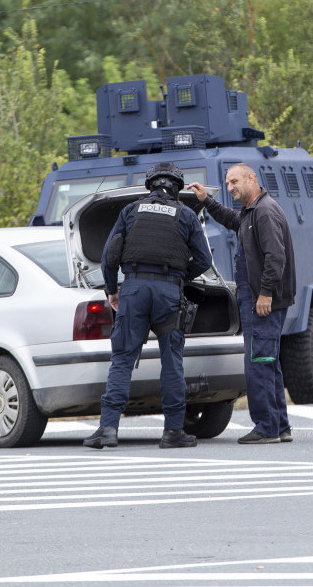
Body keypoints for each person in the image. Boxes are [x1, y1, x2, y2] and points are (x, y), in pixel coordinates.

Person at [83, 162, 212, 450]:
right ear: (177, 188)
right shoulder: (187, 215)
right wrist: (179, 276)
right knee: (171, 362)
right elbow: (204, 260)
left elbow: (109, 256)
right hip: (168, 292)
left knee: (123, 360)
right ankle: (173, 432)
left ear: (150, 185)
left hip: (134, 290)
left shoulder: (131, 211)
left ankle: (107, 429)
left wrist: (112, 290)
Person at [187, 164, 296, 444]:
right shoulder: (251, 212)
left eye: (235, 181)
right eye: (227, 182)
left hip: (263, 300)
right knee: (268, 361)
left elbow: (275, 257)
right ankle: (279, 425)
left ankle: (266, 427)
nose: (230, 186)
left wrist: (265, 293)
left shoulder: (265, 211)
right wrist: (206, 202)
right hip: (258, 296)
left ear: (251, 179)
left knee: (258, 361)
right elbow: (232, 219)